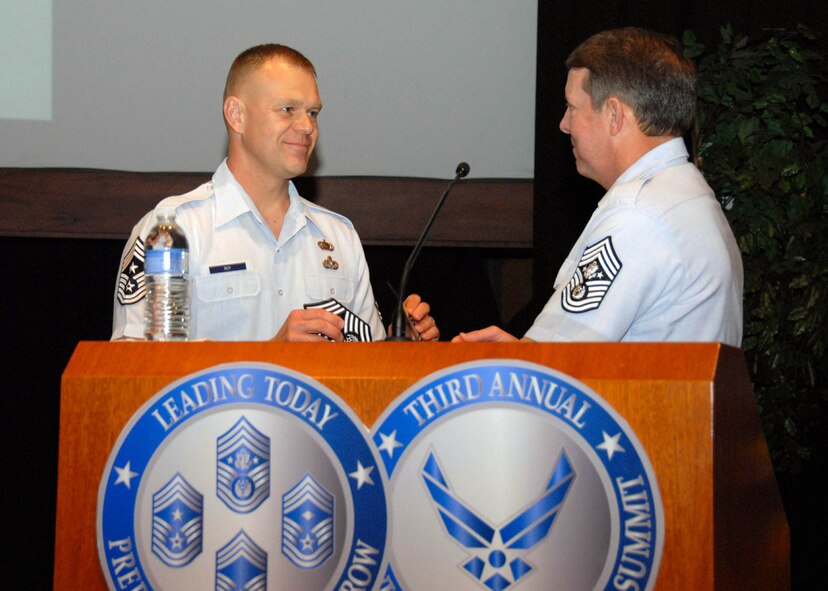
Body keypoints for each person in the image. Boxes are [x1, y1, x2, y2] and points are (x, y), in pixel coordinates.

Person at [112, 44, 438, 342]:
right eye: (287, 109)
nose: (307, 127)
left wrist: (400, 347)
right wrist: (269, 357)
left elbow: (365, 374)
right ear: (236, 115)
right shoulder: (174, 231)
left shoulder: (339, 236)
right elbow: (133, 370)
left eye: (313, 113)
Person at [453, 27, 743, 346]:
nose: (564, 124)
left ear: (614, 115)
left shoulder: (637, 215)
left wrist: (500, 362)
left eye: (573, 107)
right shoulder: (688, 194)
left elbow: (555, 366)